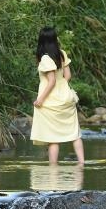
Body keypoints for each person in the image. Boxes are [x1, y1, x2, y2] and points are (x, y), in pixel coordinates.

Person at [30, 27, 85, 168]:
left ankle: (53, 168)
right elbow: (68, 76)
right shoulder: (61, 54)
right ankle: (82, 163)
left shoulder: (45, 58)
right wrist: (63, 88)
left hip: (50, 100)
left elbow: (51, 81)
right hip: (66, 97)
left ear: (41, 41)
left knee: (53, 138)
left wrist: (40, 99)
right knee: (75, 133)